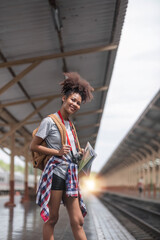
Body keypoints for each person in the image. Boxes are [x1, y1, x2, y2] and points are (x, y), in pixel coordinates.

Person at [30, 72, 94, 240]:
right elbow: (33, 145)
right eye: (73, 100)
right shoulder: (49, 121)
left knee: (78, 221)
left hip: (71, 175)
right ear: (64, 98)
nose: (75, 104)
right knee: (52, 219)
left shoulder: (71, 126)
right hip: (57, 174)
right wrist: (57, 152)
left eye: (78, 103)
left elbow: (69, 149)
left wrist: (80, 153)